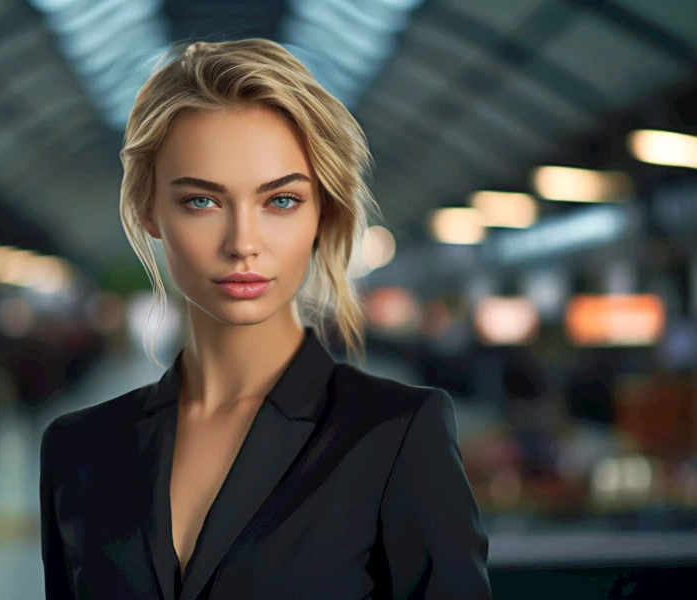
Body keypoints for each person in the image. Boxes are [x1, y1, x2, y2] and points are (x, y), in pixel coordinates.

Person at [40, 38, 491, 600]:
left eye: (280, 201)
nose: (242, 243)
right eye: (202, 201)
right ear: (147, 211)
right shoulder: (79, 449)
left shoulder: (397, 436)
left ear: (323, 214)